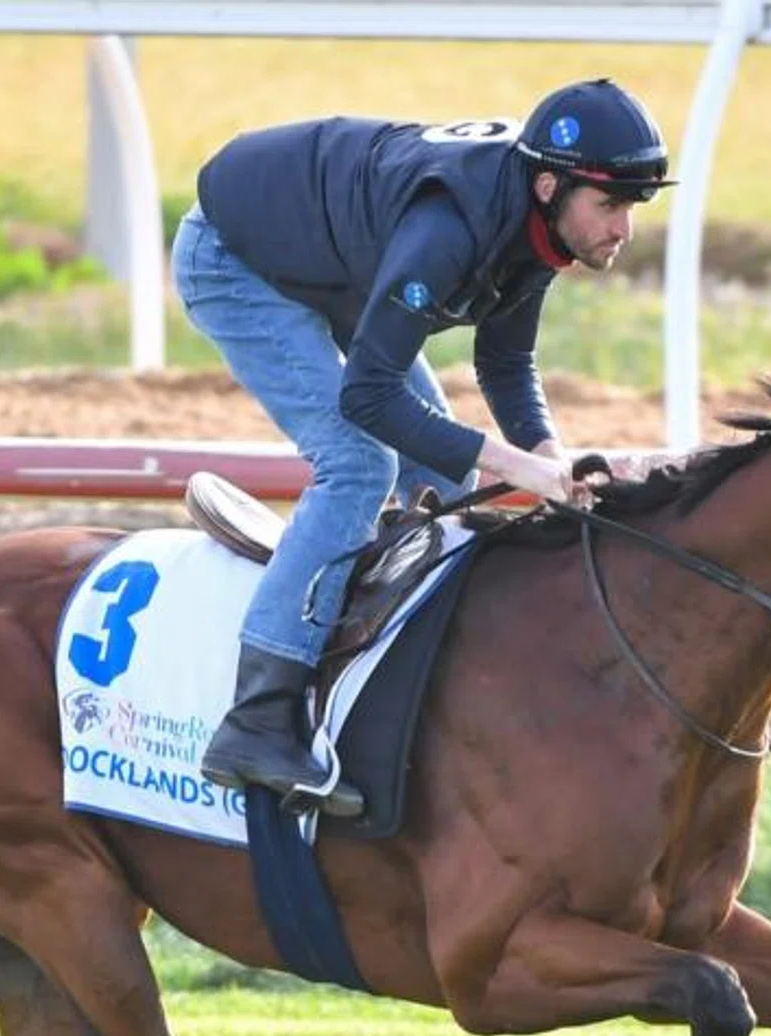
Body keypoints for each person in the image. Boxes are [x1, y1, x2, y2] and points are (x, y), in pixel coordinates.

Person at [173, 77, 676, 818]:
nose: (623, 229)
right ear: (550, 186)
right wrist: (519, 467)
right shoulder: (452, 230)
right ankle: (258, 720)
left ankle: (399, 665)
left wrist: (554, 459)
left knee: (442, 466)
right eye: (610, 206)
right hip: (237, 256)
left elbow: (506, 363)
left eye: (633, 207)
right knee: (358, 464)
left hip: (335, 256)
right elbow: (368, 397)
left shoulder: (539, 220)